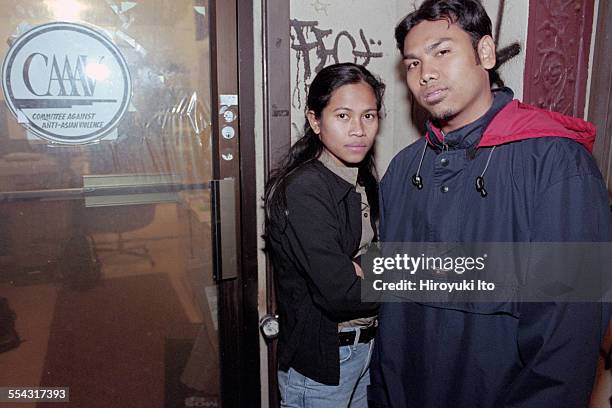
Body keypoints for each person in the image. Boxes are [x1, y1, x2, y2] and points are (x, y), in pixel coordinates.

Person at [367, 1, 611, 407]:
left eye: (442, 52)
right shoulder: (402, 170)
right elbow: (392, 314)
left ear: (484, 53)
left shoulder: (556, 164)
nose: (425, 73)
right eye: (412, 63)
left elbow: (568, 338)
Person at [264, 62, 384, 407]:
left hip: (365, 350)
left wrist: (364, 267)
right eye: (343, 116)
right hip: (324, 363)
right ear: (316, 120)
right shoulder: (306, 189)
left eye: (369, 116)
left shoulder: (362, 180)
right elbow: (341, 292)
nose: (359, 130)